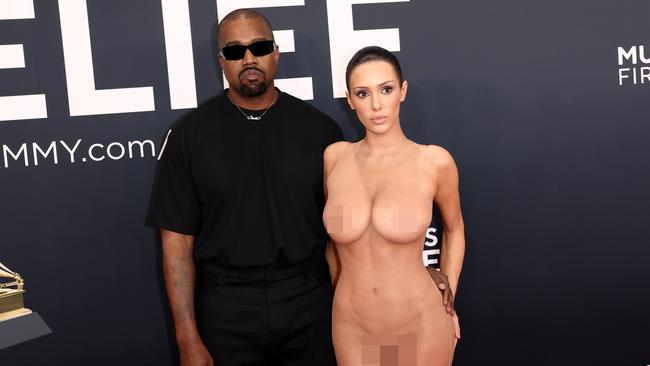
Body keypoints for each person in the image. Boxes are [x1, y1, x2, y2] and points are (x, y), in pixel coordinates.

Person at [147, 9, 454, 366]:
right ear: (221, 62)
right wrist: (186, 339)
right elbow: (176, 245)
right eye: (234, 51)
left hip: (310, 303)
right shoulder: (188, 137)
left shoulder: (320, 133)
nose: (249, 58)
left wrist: (418, 272)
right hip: (226, 309)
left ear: (275, 52)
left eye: (259, 46)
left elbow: (360, 228)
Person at [323, 46, 465, 366]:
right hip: (352, 326)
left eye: (386, 90)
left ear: (402, 91)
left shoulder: (433, 161)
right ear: (349, 99)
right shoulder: (334, 158)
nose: (376, 105)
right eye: (363, 93)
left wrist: (449, 291)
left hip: (419, 322)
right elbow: (332, 245)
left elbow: (455, 229)